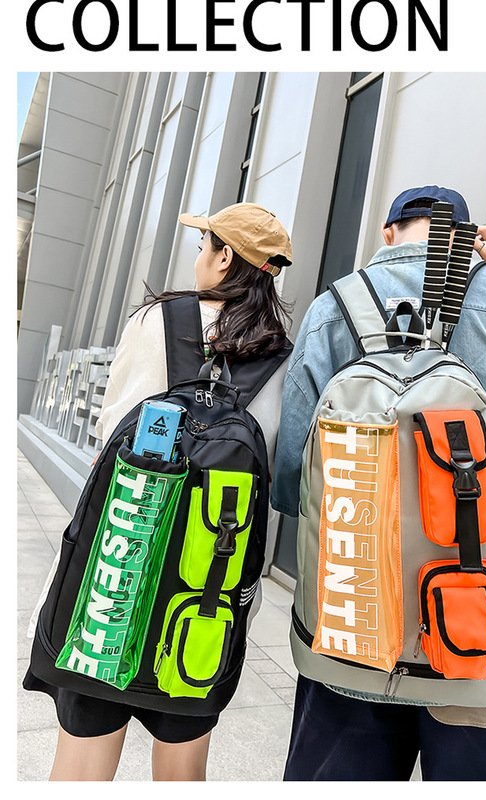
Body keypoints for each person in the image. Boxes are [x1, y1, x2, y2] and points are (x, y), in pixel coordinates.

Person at [270, 185, 486, 781]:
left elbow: (291, 483)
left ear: (388, 233)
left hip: (352, 623)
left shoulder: (333, 307)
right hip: (480, 628)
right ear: (467, 238)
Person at [24, 202, 294, 781]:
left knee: (81, 765)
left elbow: (111, 430)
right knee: (182, 769)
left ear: (225, 258)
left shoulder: (157, 320)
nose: (199, 258)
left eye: (204, 246)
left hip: (117, 574)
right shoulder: (283, 358)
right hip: (205, 593)